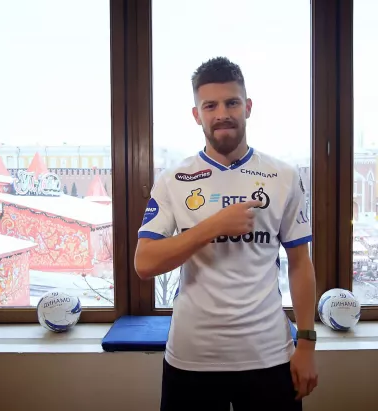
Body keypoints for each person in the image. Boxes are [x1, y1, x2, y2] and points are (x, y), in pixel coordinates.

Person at [135, 56, 318, 411]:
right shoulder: (174, 180)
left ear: (247, 107)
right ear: (197, 114)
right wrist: (211, 228)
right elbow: (145, 263)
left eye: (232, 103)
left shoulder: (282, 176)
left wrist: (307, 344)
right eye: (210, 106)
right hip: (192, 358)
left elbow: (300, 263)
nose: (222, 114)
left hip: (269, 354)